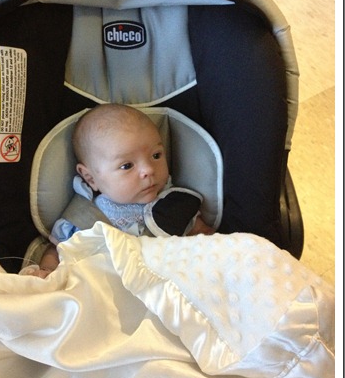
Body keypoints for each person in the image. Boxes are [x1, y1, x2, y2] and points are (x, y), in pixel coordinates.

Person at [29, 104, 214, 278]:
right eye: (127, 166)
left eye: (156, 155)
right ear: (90, 178)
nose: (148, 170)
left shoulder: (176, 204)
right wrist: (47, 270)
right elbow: (57, 251)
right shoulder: (82, 220)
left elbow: (205, 238)